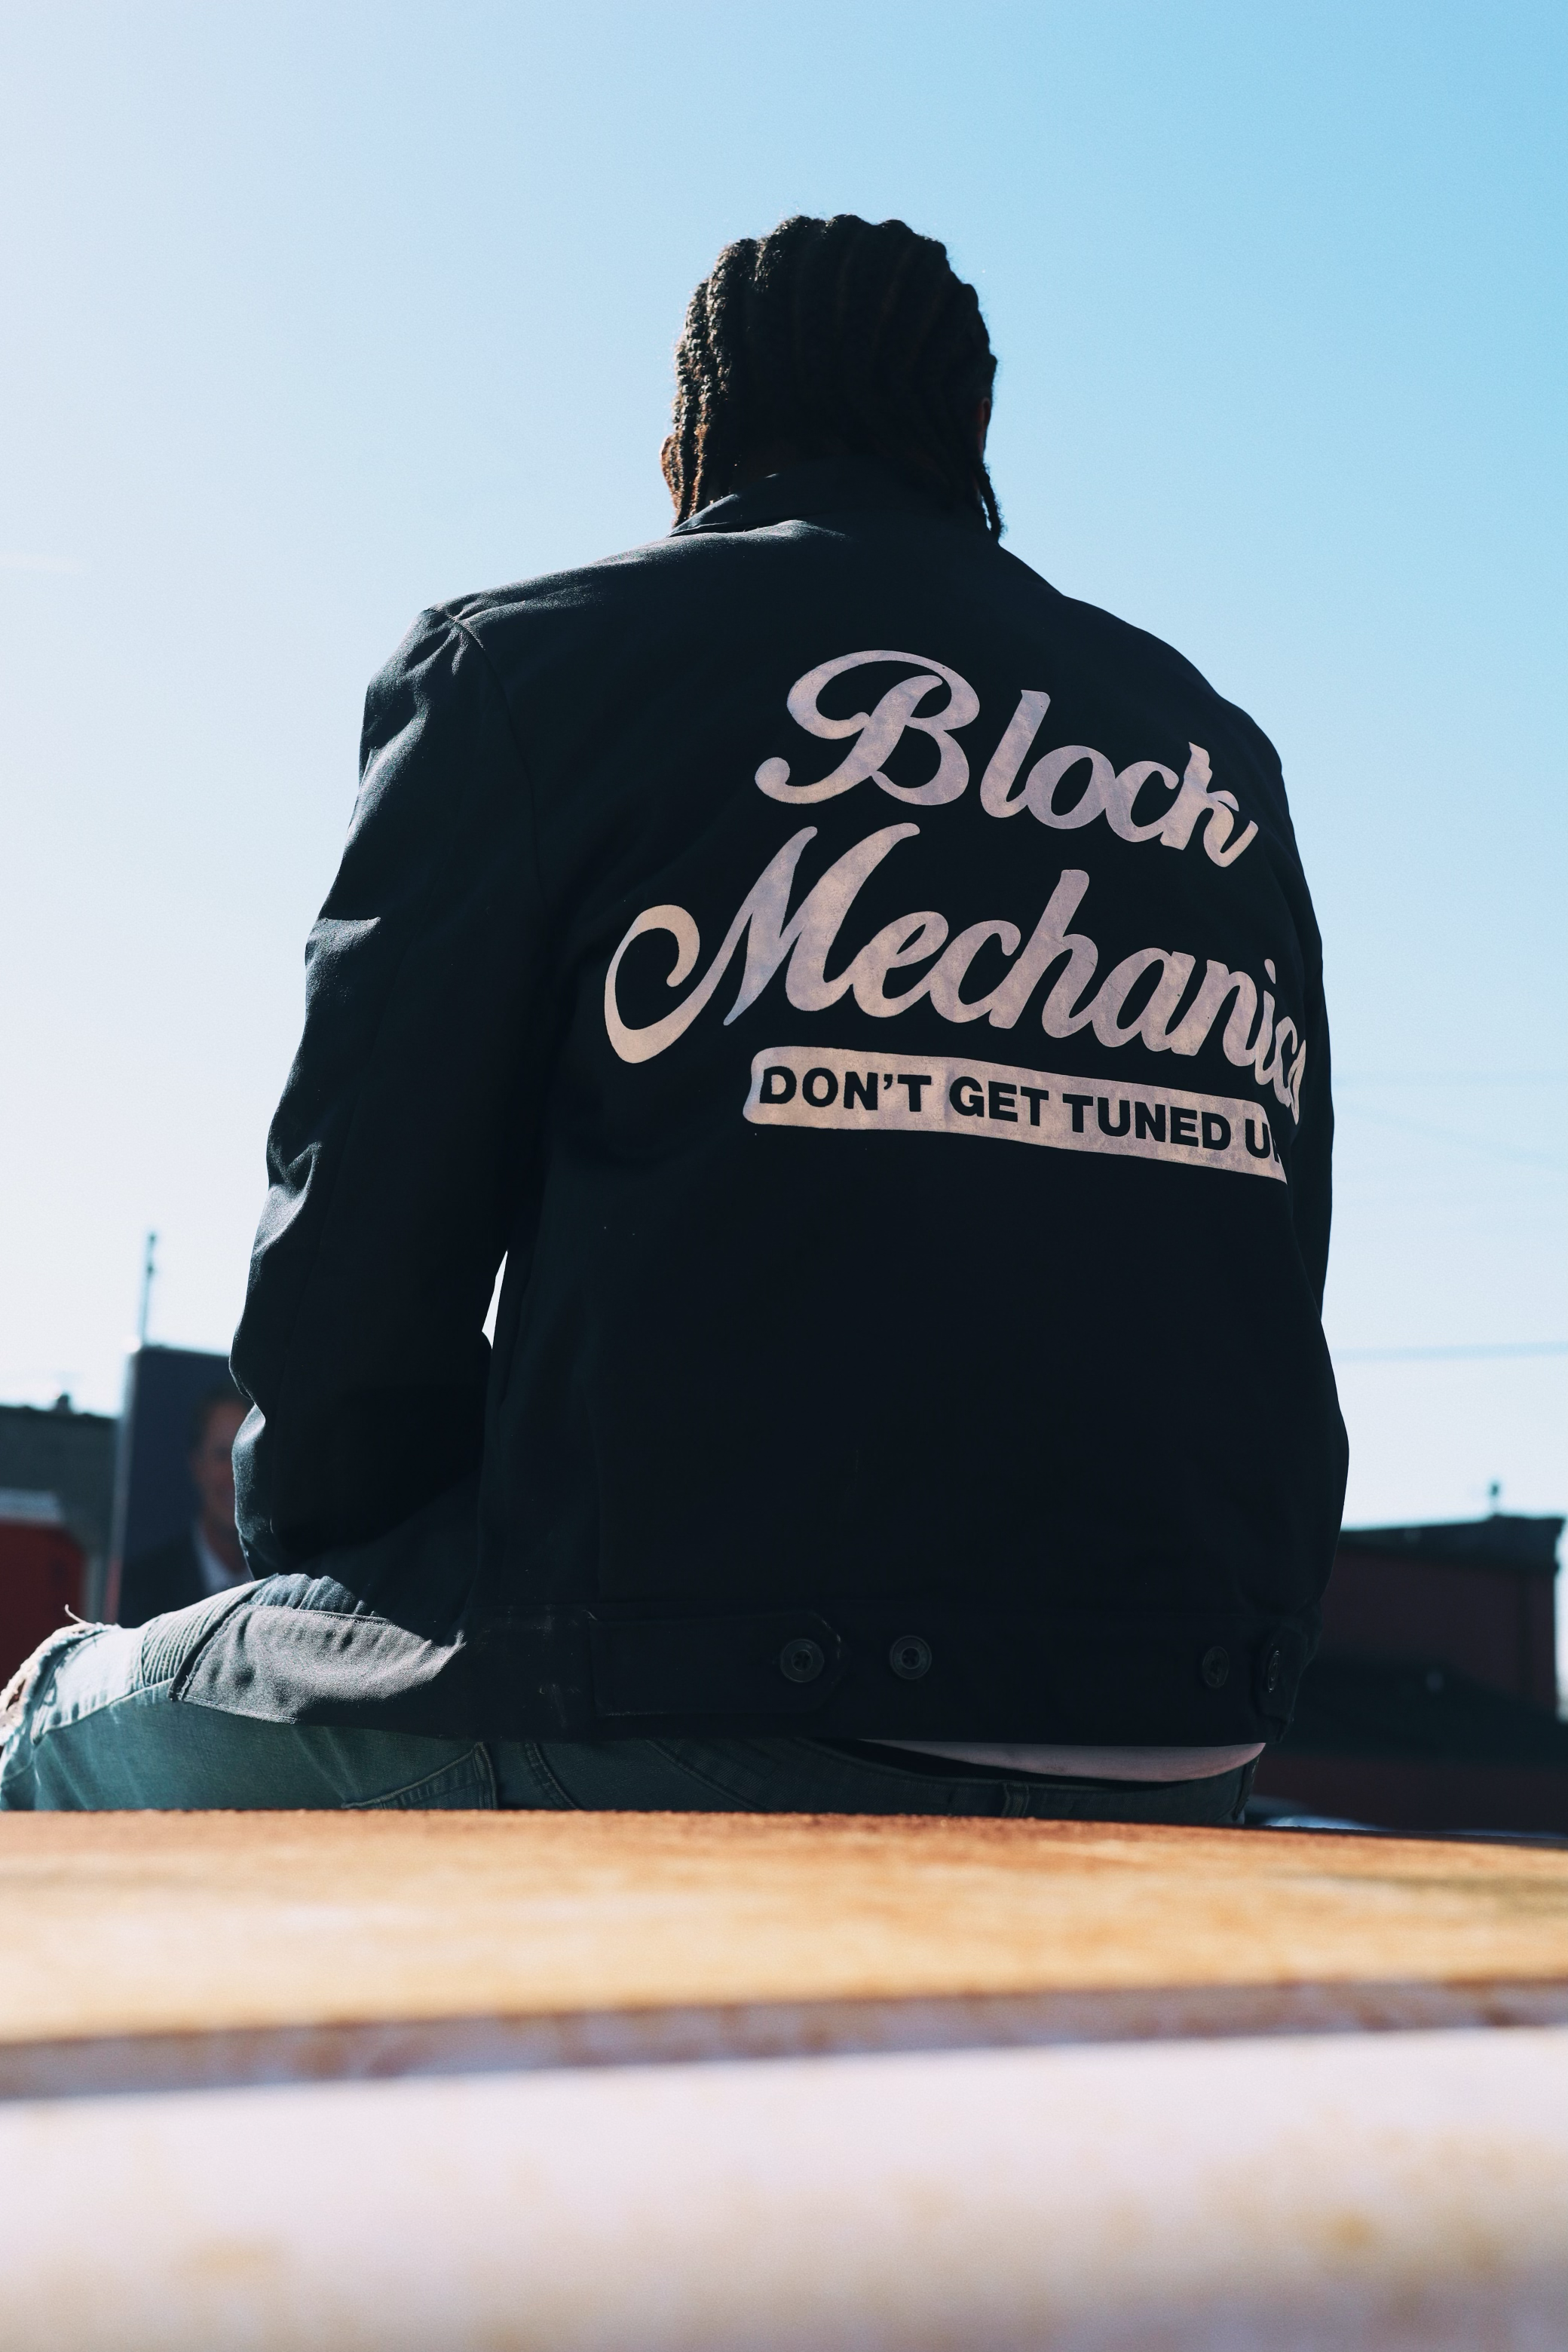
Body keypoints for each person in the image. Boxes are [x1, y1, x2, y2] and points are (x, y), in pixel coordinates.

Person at [2, 213, 1346, 1815]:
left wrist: (366, 1572)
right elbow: (1274, 1233)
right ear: (970, 442)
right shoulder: (1213, 755)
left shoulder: (531, 673)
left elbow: (356, 1259)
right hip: (1180, 1723)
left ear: (688, 438)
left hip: (672, 1689)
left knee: (59, 1721)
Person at [116, 1388, 251, 1626]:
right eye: (222, 1455)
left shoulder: (293, 1592)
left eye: (246, 1456)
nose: (234, 1474)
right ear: (197, 1465)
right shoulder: (139, 1591)